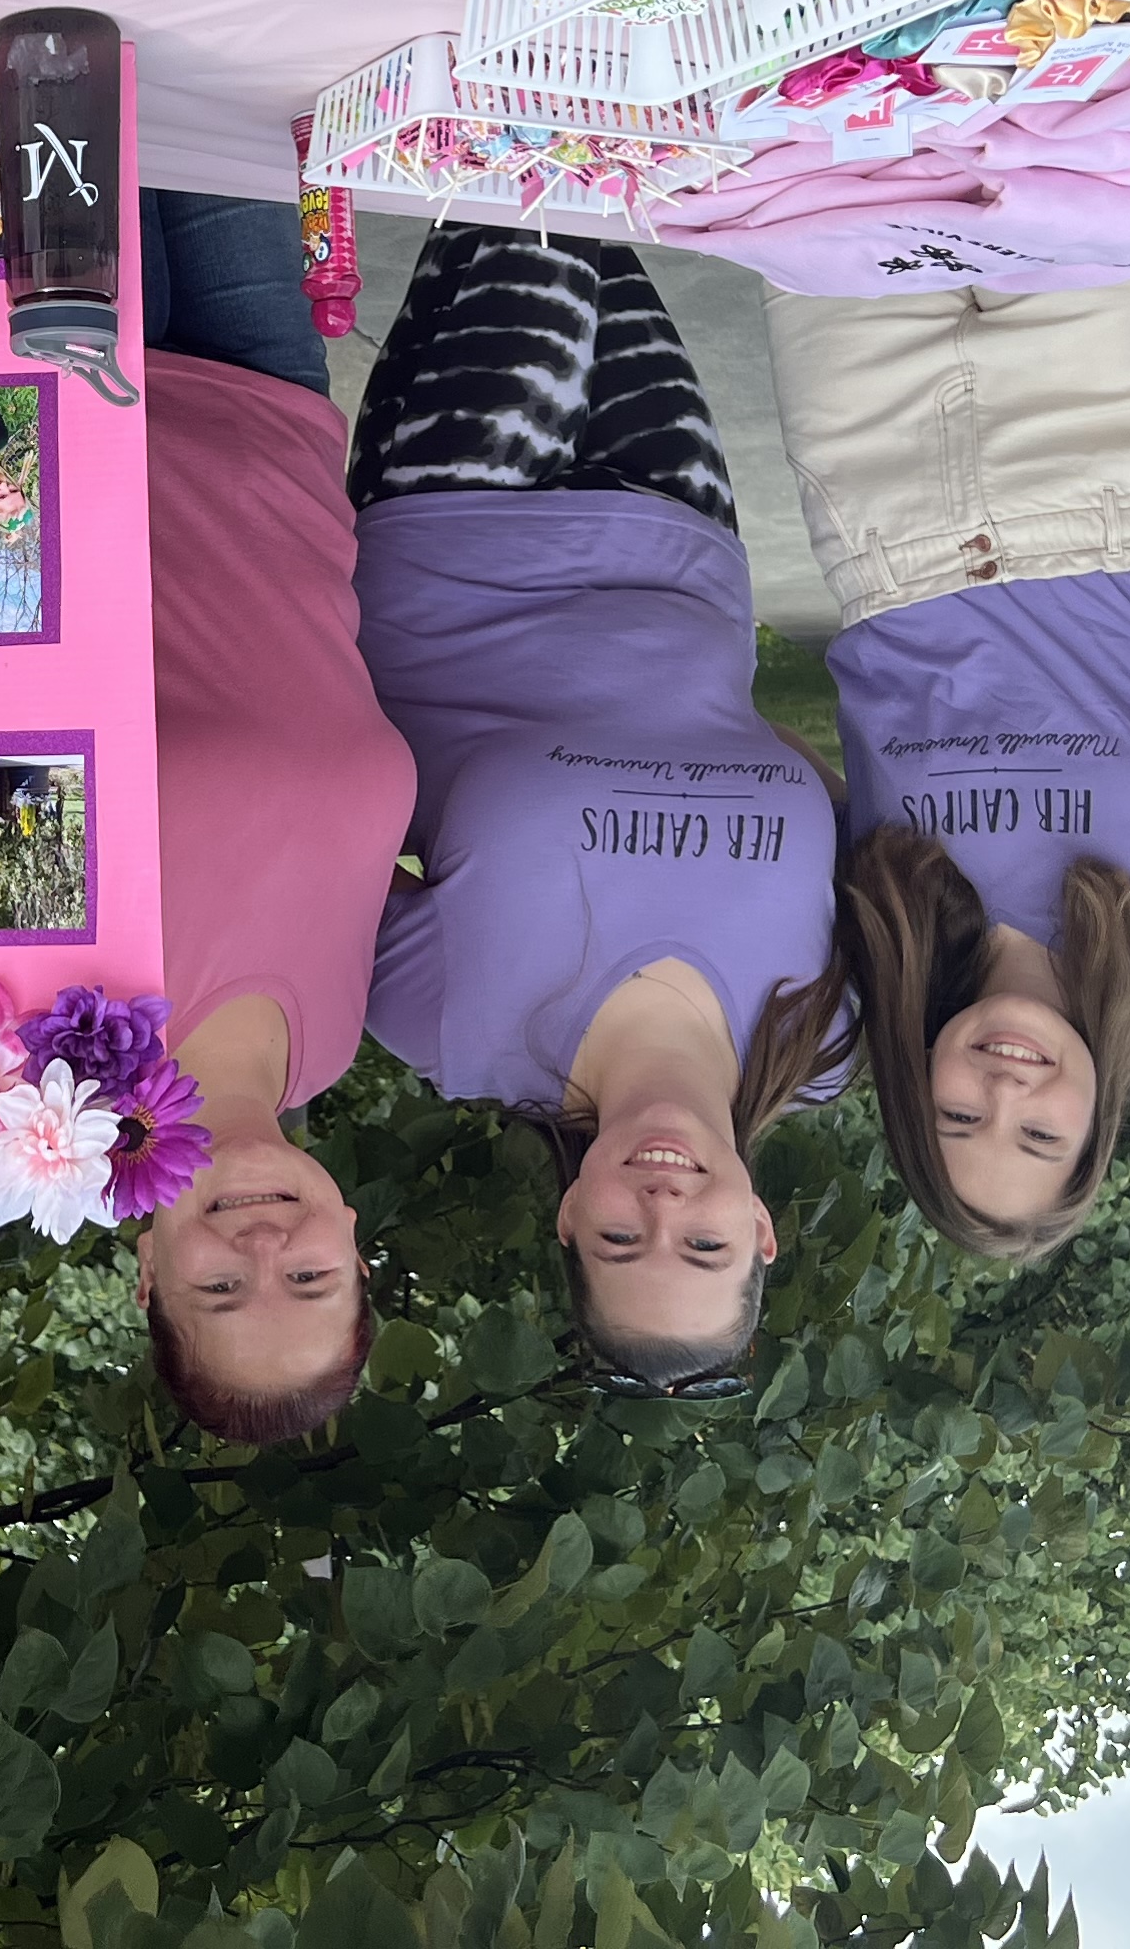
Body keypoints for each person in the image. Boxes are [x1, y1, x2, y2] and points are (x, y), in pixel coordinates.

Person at [350, 224, 846, 1391]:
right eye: (704, 1247)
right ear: (761, 1231)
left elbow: (315, 827)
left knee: (541, 183)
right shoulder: (829, 1033)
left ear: (572, 1218)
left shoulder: (452, 1031)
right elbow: (869, 840)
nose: (662, 1205)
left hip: (454, 533)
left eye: (623, 1241)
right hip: (685, 539)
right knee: (558, 189)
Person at [763, 279, 1130, 1261]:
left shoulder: (877, 931)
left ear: (916, 1096)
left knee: (817, 184)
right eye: (1038, 1135)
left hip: (876, 488)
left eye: (958, 1119)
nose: (1005, 1090)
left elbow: (768, 768)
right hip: (1101, 468)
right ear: (1095, 1124)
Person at [122, 191, 416, 1444]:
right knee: (229, 93)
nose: (263, 1248)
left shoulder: (58, 1042)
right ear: (354, 1242)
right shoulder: (338, 1036)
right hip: (278, 416)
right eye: (309, 1280)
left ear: (148, 1273)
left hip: (94, 389)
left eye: (222, 1292)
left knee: (62, 76)